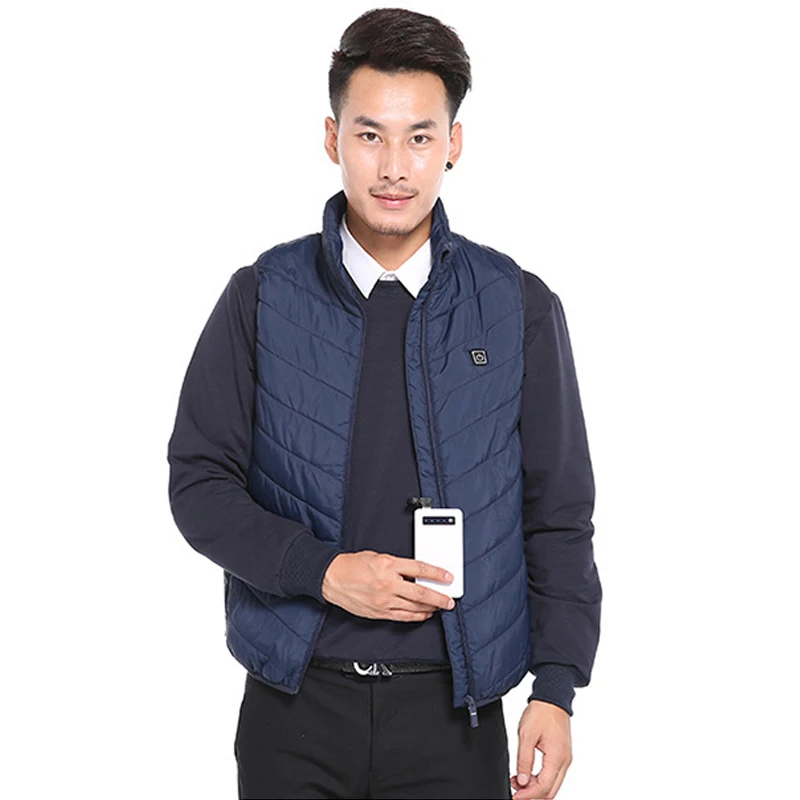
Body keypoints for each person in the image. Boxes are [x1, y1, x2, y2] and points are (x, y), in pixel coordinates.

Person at [166, 8, 601, 799]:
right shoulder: (262, 297)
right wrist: (324, 572)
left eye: (419, 137)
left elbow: (558, 513)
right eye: (370, 135)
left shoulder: (517, 307)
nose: (394, 167)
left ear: (453, 144)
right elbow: (199, 484)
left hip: (457, 714)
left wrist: (556, 687)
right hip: (294, 709)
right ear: (332, 138)